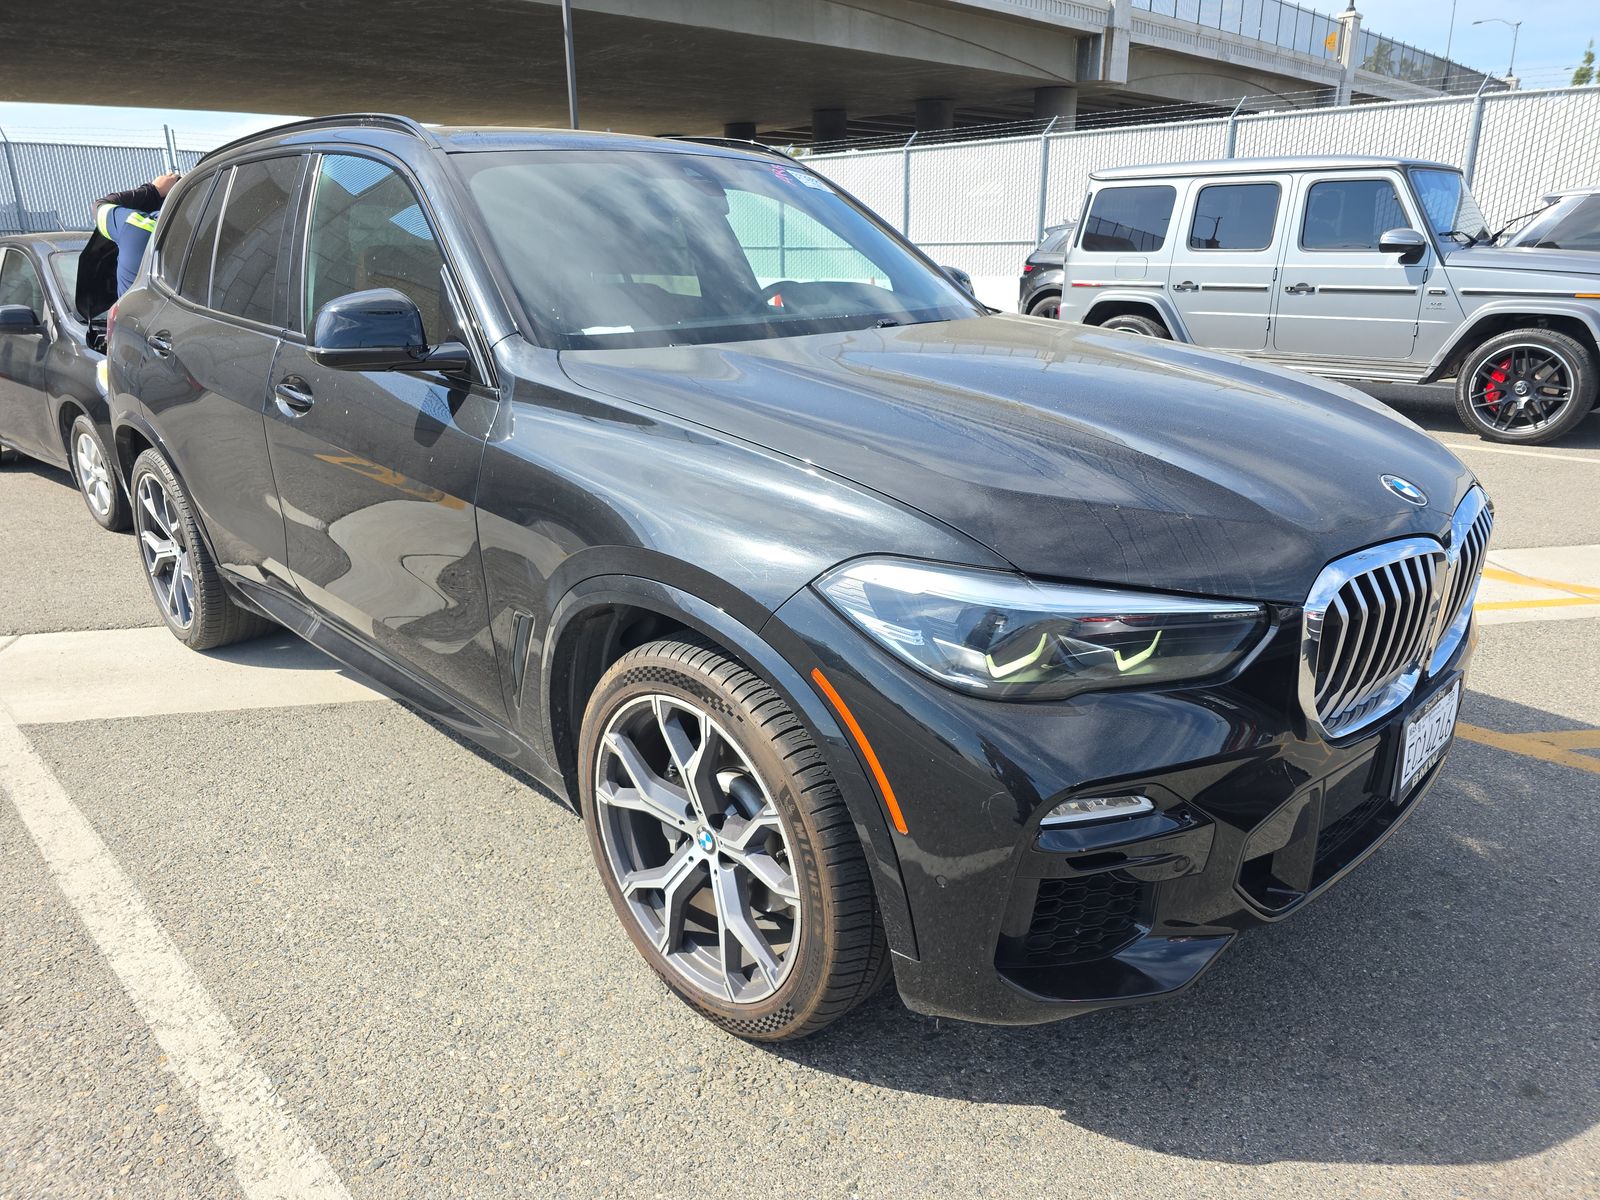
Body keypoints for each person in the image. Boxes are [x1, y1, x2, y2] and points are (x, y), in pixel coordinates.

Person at [74, 171, 180, 324]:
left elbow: (100, 207)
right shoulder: (213, 237)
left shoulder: (139, 225)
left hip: (135, 334)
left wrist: (154, 190)